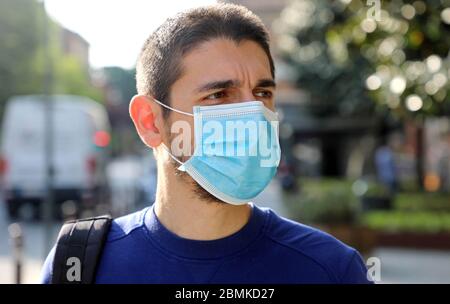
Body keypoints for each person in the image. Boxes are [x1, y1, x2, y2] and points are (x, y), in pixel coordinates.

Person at [41, 3, 371, 284]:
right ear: (150, 121)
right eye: (218, 95)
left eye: (262, 93)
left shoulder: (331, 269)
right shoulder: (80, 265)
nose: (252, 115)